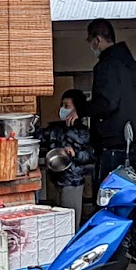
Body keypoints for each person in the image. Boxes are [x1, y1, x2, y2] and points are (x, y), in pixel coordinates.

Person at [84, 19, 136, 262]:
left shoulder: (106, 67)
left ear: (97, 40)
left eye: (90, 41)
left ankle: (111, 252)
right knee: (135, 196)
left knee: (109, 198)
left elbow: (107, 103)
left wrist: (82, 108)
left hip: (113, 142)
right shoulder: (132, 65)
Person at [39, 88, 96, 226]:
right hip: (55, 180)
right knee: (57, 222)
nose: (62, 109)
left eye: (67, 106)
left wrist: (75, 153)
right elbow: (38, 137)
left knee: (69, 223)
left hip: (73, 182)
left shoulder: (84, 133)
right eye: (62, 106)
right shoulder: (55, 129)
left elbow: (91, 155)